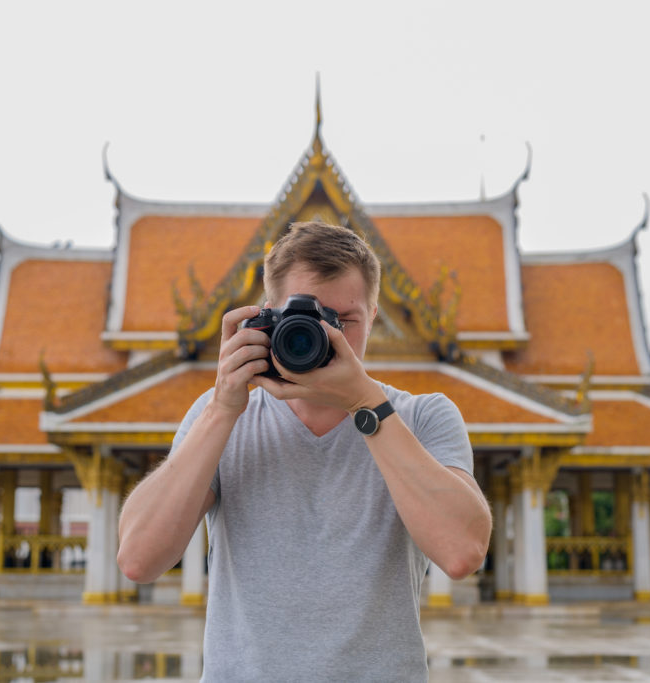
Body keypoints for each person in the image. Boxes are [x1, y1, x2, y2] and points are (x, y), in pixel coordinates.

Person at [118, 221, 492, 681]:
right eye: (310, 320)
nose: (326, 336)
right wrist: (222, 408)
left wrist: (365, 404)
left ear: (374, 316)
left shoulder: (423, 417)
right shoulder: (220, 417)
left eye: (345, 320)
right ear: (268, 315)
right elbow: (138, 558)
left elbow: (462, 553)